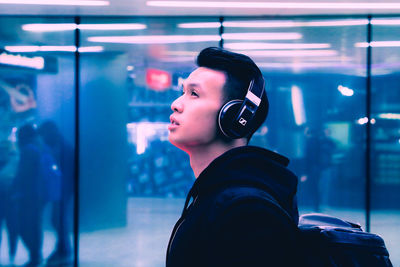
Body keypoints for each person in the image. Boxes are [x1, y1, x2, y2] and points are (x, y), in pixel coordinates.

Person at [166, 47, 299, 267]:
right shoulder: (217, 194)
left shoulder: (248, 213)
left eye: (194, 94)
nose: (176, 104)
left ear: (235, 117)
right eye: (183, 92)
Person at [37, 120, 74, 266]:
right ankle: (63, 247)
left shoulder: (62, 148)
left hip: (62, 190)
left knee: (58, 219)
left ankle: (63, 247)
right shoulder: (60, 147)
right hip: (60, 189)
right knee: (58, 219)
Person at [12, 124, 44, 267]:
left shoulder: (27, 151)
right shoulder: (38, 148)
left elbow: (23, 175)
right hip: (36, 195)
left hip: (27, 196)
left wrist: (16, 192)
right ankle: (36, 256)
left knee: (25, 228)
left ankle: (35, 256)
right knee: (34, 226)